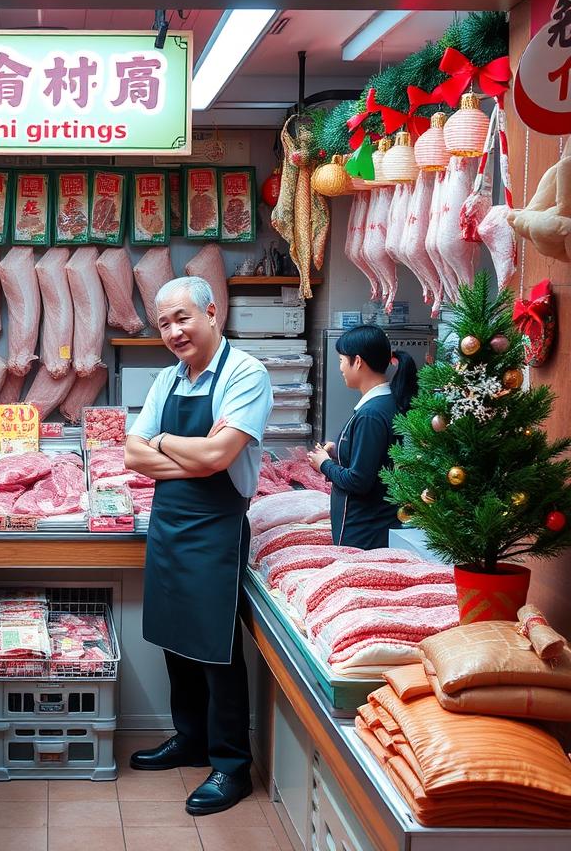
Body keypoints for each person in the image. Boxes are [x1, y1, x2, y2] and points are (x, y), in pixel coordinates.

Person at [125, 276, 273, 816]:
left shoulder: (245, 374)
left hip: (217, 526)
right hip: (169, 524)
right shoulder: (167, 379)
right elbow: (131, 455)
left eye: (182, 317)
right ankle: (188, 740)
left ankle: (231, 765)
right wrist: (187, 452)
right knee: (174, 640)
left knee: (216, 648)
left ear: (212, 313)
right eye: (163, 322)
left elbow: (218, 459)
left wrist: (163, 443)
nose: (173, 331)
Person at [306, 325, 418, 550]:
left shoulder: (371, 414)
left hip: (365, 533)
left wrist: (324, 465)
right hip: (375, 527)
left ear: (357, 362)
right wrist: (340, 451)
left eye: (340, 360)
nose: (340, 368)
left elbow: (359, 480)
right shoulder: (386, 403)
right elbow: (377, 460)